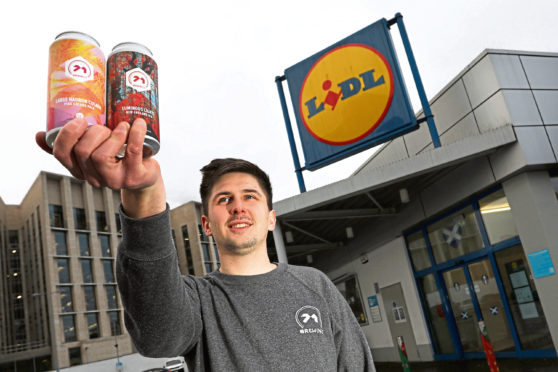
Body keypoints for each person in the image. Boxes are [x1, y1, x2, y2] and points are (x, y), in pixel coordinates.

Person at [36, 118, 375, 371]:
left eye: (250, 197)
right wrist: (144, 195)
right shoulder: (198, 301)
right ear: (207, 225)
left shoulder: (315, 284)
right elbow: (158, 338)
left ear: (271, 218)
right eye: (224, 199)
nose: (238, 206)